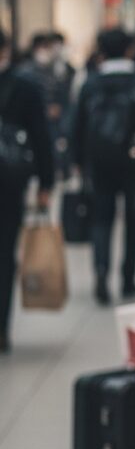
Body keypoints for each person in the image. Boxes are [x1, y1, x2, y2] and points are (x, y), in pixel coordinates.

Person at [72, 28, 135, 305]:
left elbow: (77, 125)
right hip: (132, 160)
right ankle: (128, 278)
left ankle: (101, 272)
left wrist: (77, 160)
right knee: (133, 218)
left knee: (102, 217)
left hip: (98, 161)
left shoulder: (91, 83)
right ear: (129, 49)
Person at [0, 27, 54, 353]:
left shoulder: (26, 86)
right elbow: (41, 136)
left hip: (9, 184)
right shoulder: (25, 86)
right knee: (4, 253)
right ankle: (1, 327)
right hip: (10, 181)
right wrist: (46, 181)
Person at [16, 30, 73, 177]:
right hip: (33, 121)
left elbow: (63, 95)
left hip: (54, 121)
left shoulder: (57, 70)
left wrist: (58, 107)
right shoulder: (24, 72)